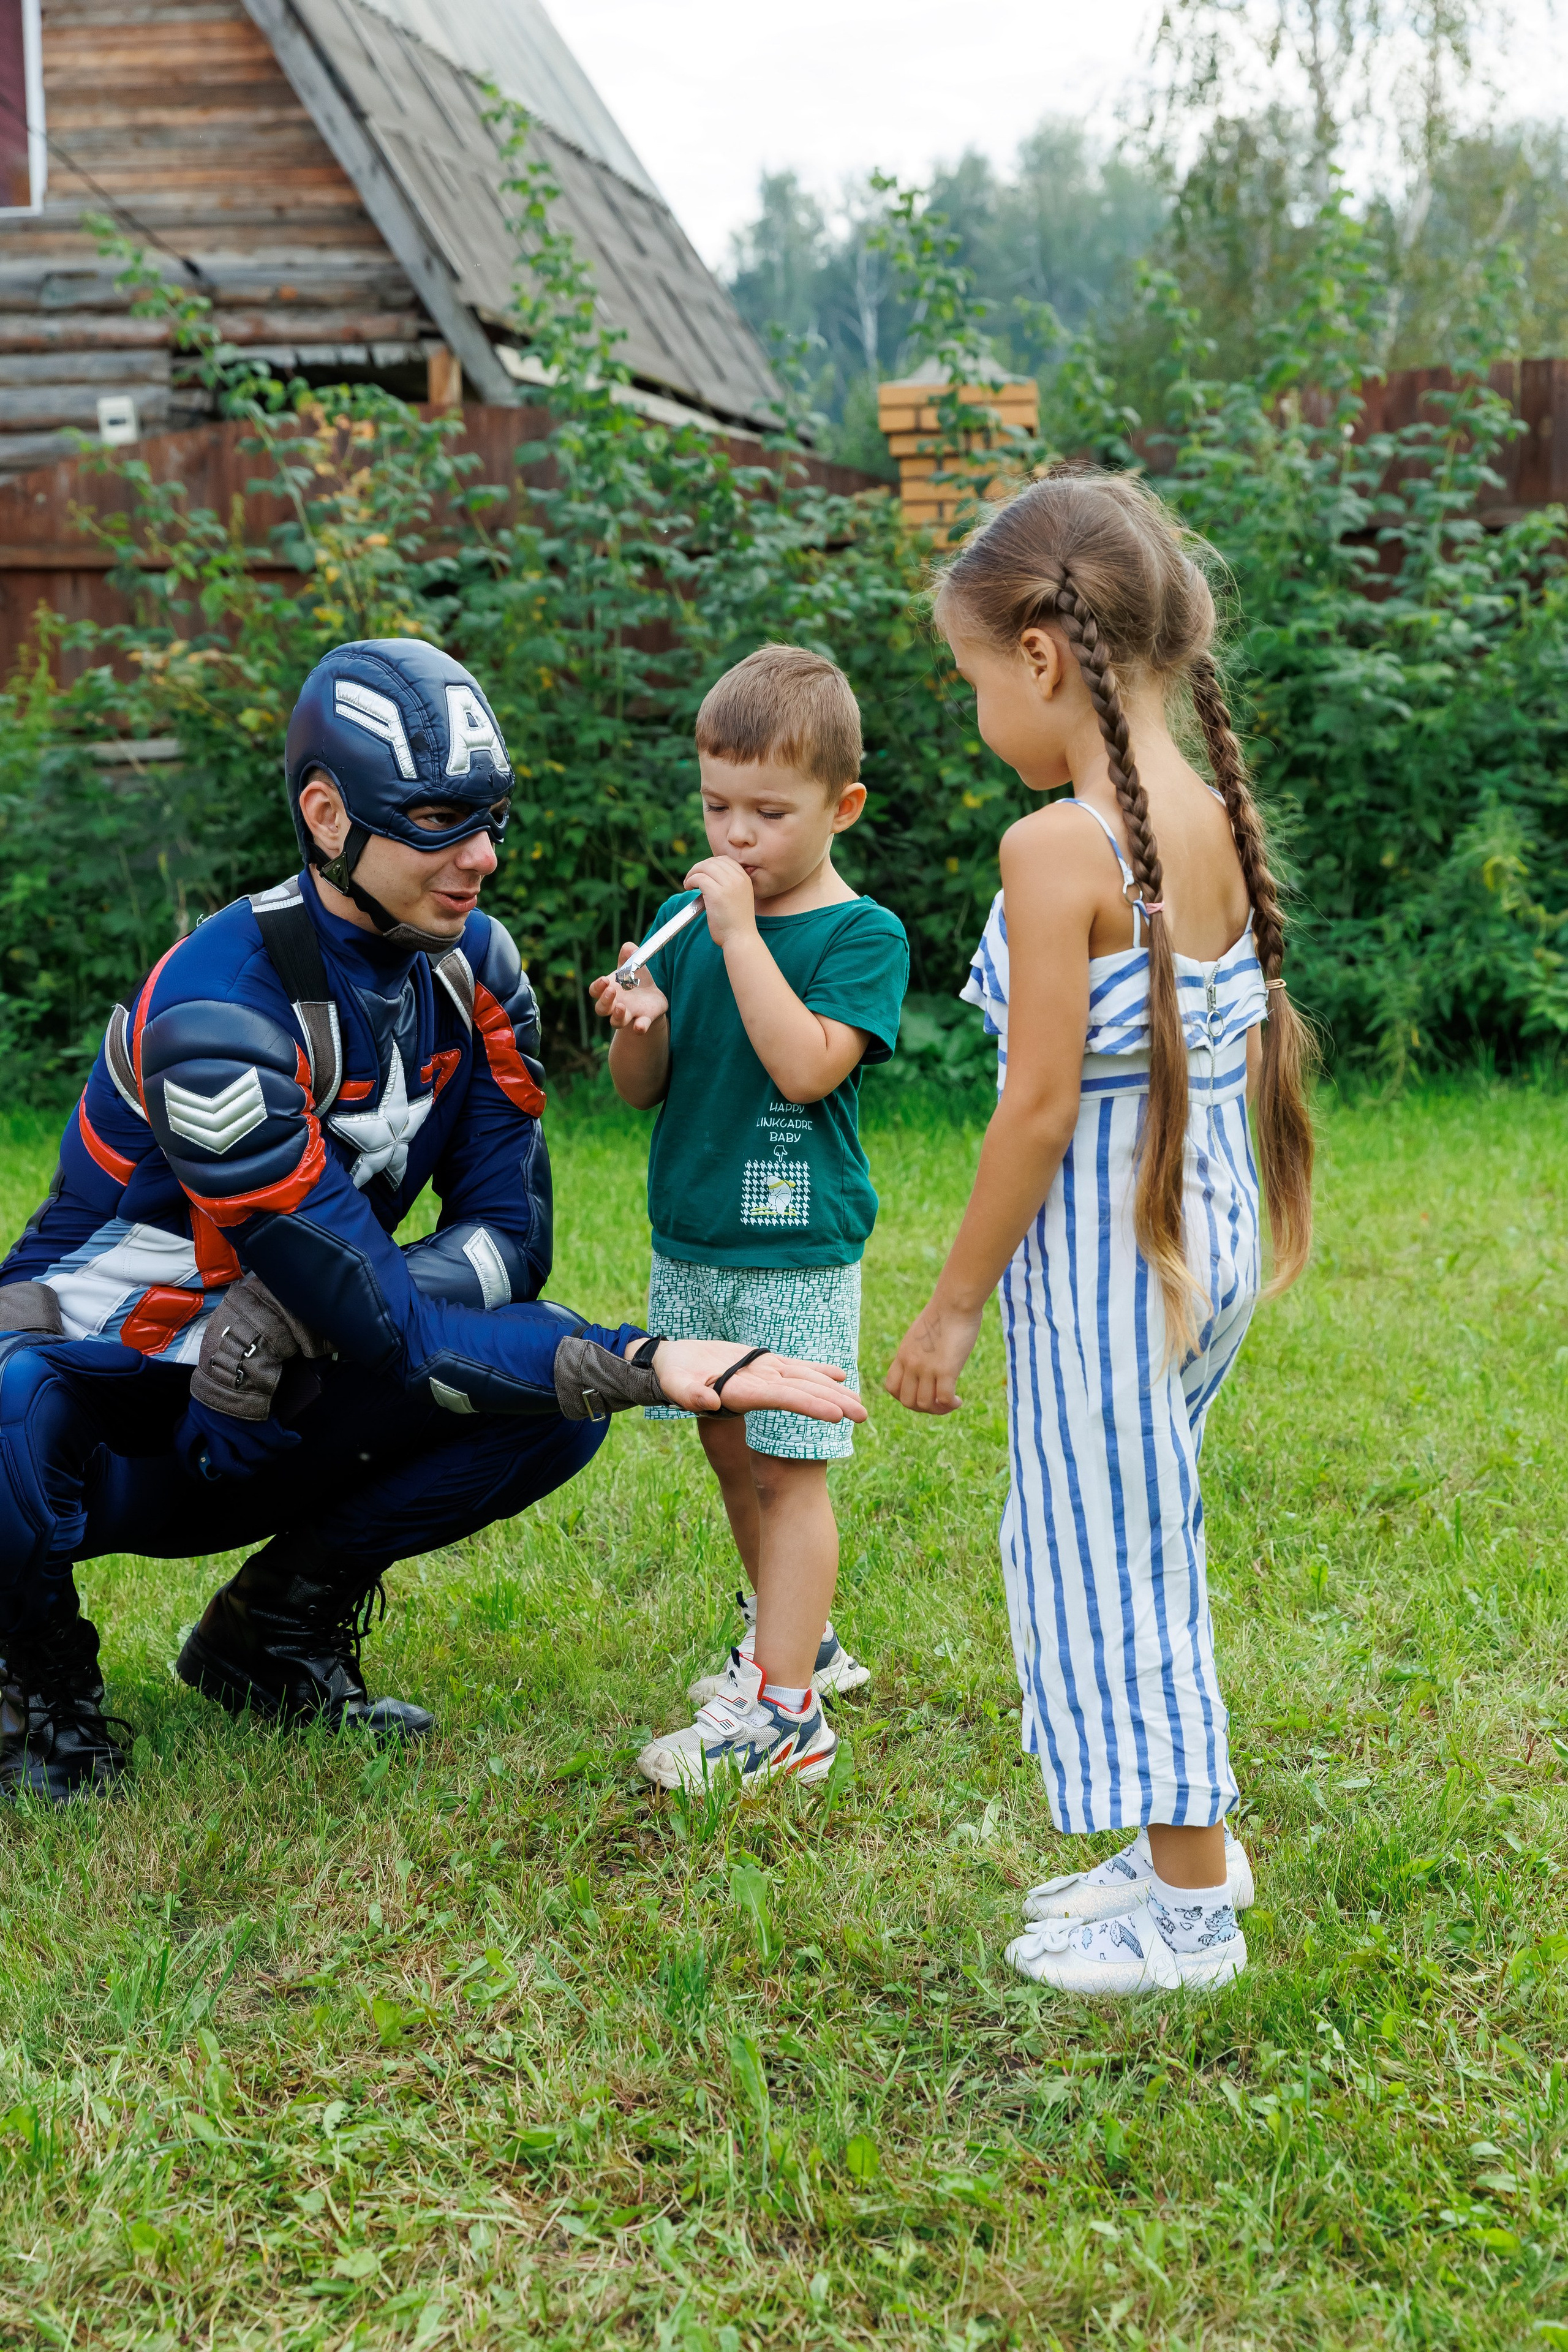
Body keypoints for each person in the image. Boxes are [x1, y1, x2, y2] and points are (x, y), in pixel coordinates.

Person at [0, 637, 864, 1804]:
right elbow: (392, 1327)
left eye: (490, 819)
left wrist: (306, 1310)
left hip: (274, 1390)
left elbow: (514, 1241)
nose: (484, 857)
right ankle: (34, 1689)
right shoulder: (220, 1012)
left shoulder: (477, 969)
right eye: (439, 822)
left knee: (545, 1412)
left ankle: (274, 1636)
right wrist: (642, 1359)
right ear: (325, 814)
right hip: (114, 1414)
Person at [884, 472, 1314, 1994]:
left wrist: (947, 1309)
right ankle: (1160, 1845)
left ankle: (1190, 1915)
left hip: (1104, 1266)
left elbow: (1035, 1114)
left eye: (967, 681)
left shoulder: (1053, 847)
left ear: (1040, 655)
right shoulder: (1202, 813)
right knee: (1141, 1537)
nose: (971, 713)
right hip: (1199, 1242)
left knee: (1108, 1566)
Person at [589, 645, 908, 1793]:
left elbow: (809, 1068)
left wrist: (734, 939)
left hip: (795, 1252)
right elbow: (643, 1091)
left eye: (769, 813)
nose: (736, 838)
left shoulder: (859, 936)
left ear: (843, 807)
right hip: (696, 1236)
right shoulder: (694, 915)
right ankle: (797, 1636)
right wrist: (641, 1021)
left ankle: (788, 1714)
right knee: (732, 1454)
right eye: (718, 805)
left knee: (791, 1471)